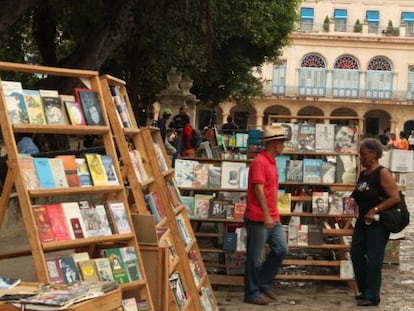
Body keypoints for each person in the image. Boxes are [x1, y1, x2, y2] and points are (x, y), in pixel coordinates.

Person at [351, 138, 400, 307]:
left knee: (374, 259)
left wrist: (375, 210)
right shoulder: (363, 174)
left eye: (363, 154)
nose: (361, 157)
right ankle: (365, 289)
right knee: (356, 253)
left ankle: (372, 295)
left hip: (378, 224)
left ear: (373, 154)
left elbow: (395, 198)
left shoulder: (382, 173)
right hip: (362, 221)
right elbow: (358, 193)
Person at [244, 125, 289, 306]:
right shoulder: (260, 162)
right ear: (274, 143)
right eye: (282, 143)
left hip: (271, 215)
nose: (283, 146)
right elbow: (259, 190)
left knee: (281, 249)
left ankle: (262, 282)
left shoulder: (271, 161)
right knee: (254, 258)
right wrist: (266, 214)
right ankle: (252, 292)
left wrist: (272, 214)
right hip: (258, 216)